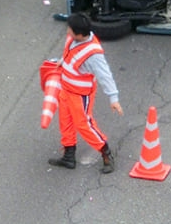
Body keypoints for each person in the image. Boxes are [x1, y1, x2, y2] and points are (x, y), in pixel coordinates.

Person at [48, 14, 124, 174]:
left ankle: (106, 152)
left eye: (70, 29)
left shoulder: (94, 54)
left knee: (84, 125)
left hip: (80, 95)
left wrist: (113, 98)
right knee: (65, 122)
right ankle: (68, 156)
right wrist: (62, 61)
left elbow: (105, 76)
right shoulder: (74, 39)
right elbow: (69, 53)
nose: (67, 31)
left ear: (80, 34)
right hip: (66, 89)